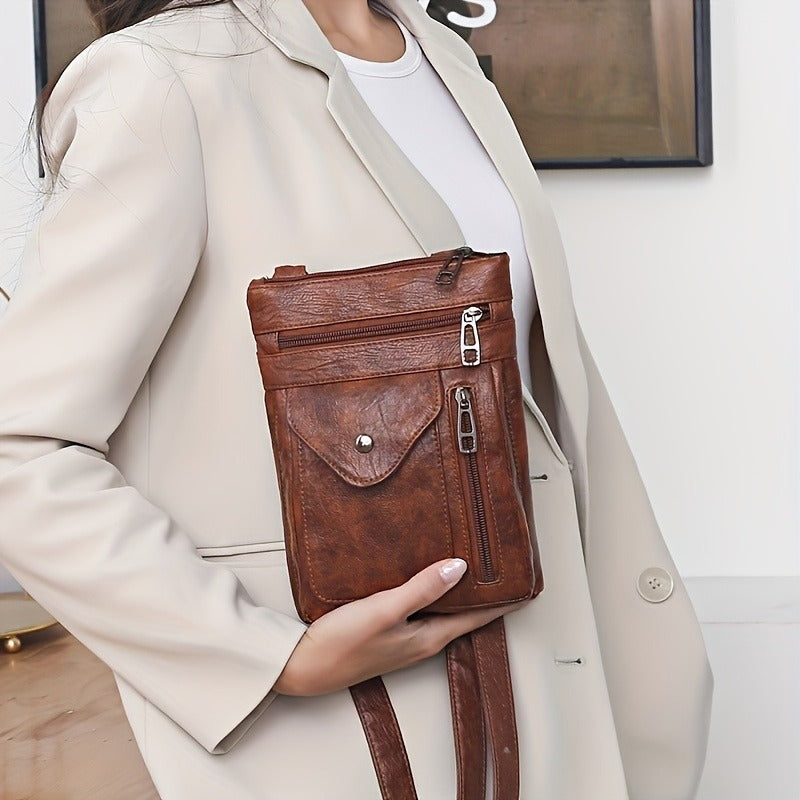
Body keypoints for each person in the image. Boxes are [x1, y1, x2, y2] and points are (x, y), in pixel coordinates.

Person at [0, 0, 713, 797]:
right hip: (344, 731)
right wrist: (264, 657)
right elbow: (19, 447)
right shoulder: (166, 76)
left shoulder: (439, 54)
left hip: (547, 683)